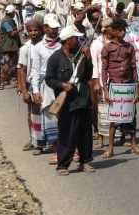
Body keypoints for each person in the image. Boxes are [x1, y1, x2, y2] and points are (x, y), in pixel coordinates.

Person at [46, 26, 95, 175]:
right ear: (68, 41)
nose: (78, 40)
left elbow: (88, 75)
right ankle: (63, 165)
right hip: (67, 103)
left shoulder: (81, 54)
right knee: (67, 133)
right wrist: (62, 85)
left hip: (83, 99)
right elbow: (49, 79)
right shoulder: (55, 58)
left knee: (85, 133)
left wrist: (88, 58)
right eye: (75, 38)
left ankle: (85, 162)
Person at [101, 19, 139, 159]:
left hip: (128, 86)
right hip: (114, 86)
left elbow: (134, 68)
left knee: (131, 117)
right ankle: (110, 148)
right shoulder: (107, 48)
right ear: (114, 31)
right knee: (114, 119)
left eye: (124, 30)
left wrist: (137, 90)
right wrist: (105, 90)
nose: (123, 32)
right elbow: (104, 70)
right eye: (120, 29)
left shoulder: (130, 47)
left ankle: (134, 144)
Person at [29, 14, 62, 156]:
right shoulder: (37, 48)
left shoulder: (62, 44)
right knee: (51, 117)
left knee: (63, 117)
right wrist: (35, 90)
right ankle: (56, 149)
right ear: (45, 28)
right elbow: (35, 71)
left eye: (56, 28)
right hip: (46, 87)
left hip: (61, 84)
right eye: (51, 28)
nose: (54, 31)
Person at [18, 20, 44, 151]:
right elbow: (21, 69)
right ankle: (33, 139)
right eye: (31, 30)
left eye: (36, 30)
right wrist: (24, 90)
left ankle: (46, 139)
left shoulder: (45, 45)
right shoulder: (25, 48)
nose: (33, 33)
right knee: (32, 113)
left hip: (45, 83)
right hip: (30, 83)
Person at [91, 18, 113, 148]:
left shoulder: (116, 42)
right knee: (101, 109)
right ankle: (101, 138)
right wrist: (96, 82)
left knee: (114, 108)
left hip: (114, 79)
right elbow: (94, 64)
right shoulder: (97, 44)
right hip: (101, 79)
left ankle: (116, 135)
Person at [0, 5, 20, 89]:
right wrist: (19, 29)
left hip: (11, 47)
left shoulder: (9, 20)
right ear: (12, 13)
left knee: (12, 64)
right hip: (7, 48)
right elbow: (11, 33)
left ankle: (12, 80)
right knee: (6, 65)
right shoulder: (6, 22)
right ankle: (2, 83)